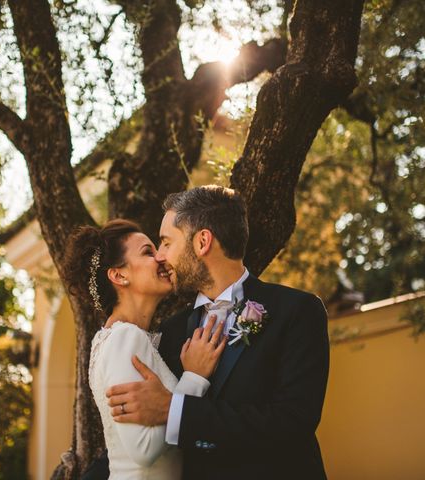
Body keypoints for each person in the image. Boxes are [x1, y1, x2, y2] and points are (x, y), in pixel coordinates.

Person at [99, 185, 330, 479]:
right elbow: (128, 442)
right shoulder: (170, 331)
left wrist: (176, 410)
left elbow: (293, 422)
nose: (160, 257)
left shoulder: (296, 311)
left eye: (167, 243)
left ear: (202, 242)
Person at [61, 219, 227, 479]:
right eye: (148, 252)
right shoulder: (125, 338)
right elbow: (143, 449)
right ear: (119, 275)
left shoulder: (122, 338)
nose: (161, 257)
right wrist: (194, 378)